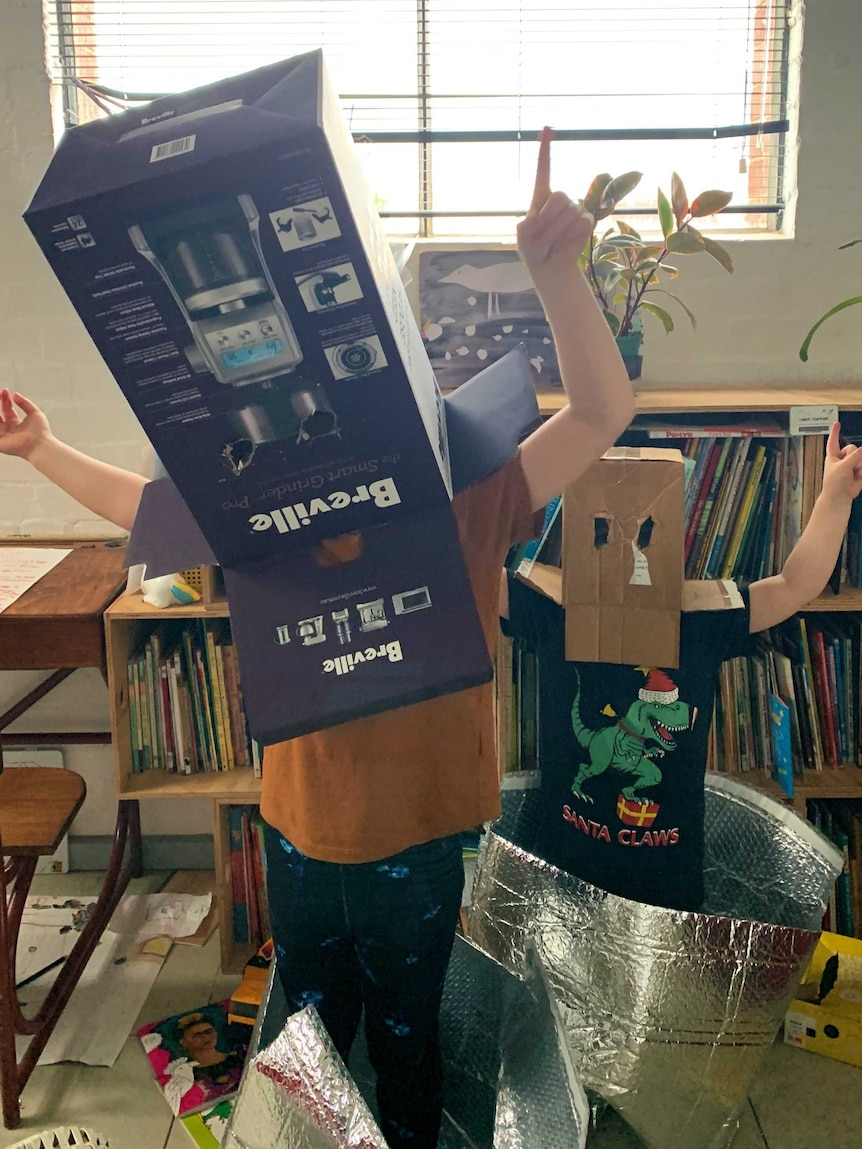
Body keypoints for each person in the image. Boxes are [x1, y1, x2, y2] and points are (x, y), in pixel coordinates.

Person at [0, 129, 633, 1147]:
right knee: (315, 1034)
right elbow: (146, 511)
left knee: (407, 1033)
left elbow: (600, 412)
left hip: (417, 843)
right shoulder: (263, 518)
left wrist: (558, 276)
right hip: (298, 829)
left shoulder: (464, 501)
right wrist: (41, 447)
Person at [500, 423, 862, 912]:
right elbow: (475, 581)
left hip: (667, 883)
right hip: (566, 868)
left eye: (646, 533)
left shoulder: (700, 623)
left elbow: (795, 585)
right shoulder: (552, 611)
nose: (629, 551)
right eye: (605, 530)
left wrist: (835, 498)